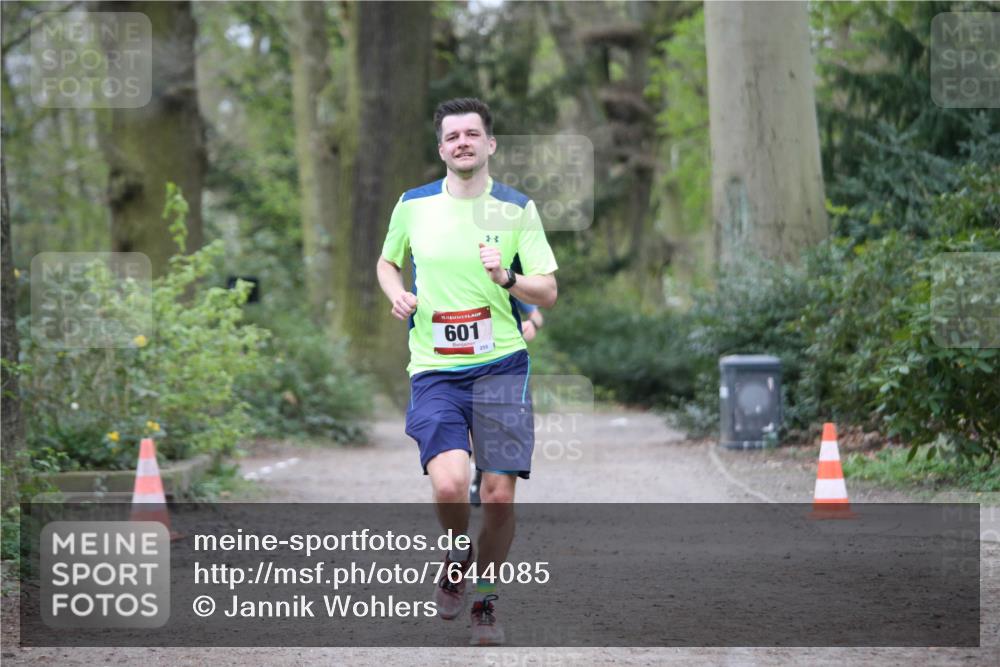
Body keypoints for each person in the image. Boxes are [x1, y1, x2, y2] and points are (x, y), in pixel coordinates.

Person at [376, 97, 558, 646]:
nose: (462, 143)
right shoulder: (412, 205)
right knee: (453, 483)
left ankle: (485, 599)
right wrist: (397, 294)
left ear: (489, 144)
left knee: (499, 495)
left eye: (472, 134)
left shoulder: (516, 210)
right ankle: (456, 552)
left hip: (502, 365)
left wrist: (506, 278)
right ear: (441, 148)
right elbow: (387, 262)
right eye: (452, 136)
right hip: (435, 369)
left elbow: (547, 289)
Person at [469, 299, 543, 507]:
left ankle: (481, 473)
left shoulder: (501, 279)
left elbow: (536, 315)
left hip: (498, 365)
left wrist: (532, 325)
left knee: (488, 428)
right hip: (456, 365)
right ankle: (477, 470)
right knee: (468, 424)